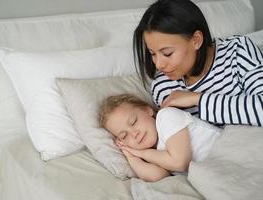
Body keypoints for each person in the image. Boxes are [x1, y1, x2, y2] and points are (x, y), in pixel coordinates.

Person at [133, 0, 263, 127]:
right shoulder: (163, 87)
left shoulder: (238, 51)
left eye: (167, 53)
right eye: (152, 53)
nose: (159, 65)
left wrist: (196, 99)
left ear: (196, 40)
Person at [98, 94, 221, 182]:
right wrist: (131, 155)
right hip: (213, 172)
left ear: (147, 110)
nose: (134, 133)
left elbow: (180, 163)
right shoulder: (154, 154)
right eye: (124, 136)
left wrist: (143, 152)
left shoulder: (166, 116)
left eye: (134, 121)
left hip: (226, 151)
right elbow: (159, 177)